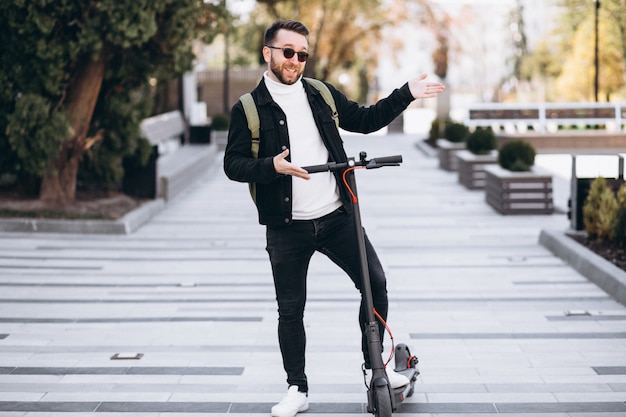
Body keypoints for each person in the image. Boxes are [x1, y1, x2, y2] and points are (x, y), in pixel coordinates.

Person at [224, 19, 445, 417]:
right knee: (290, 309)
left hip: (336, 216)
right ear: (268, 53)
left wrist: (406, 94)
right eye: (288, 52)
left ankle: (374, 367)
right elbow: (233, 164)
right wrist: (271, 167)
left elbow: (364, 119)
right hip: (286, 226)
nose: (295, 61)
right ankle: (297, 388)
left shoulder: (320, 93)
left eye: (302, 54)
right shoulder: (248, 109)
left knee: (375, 283)